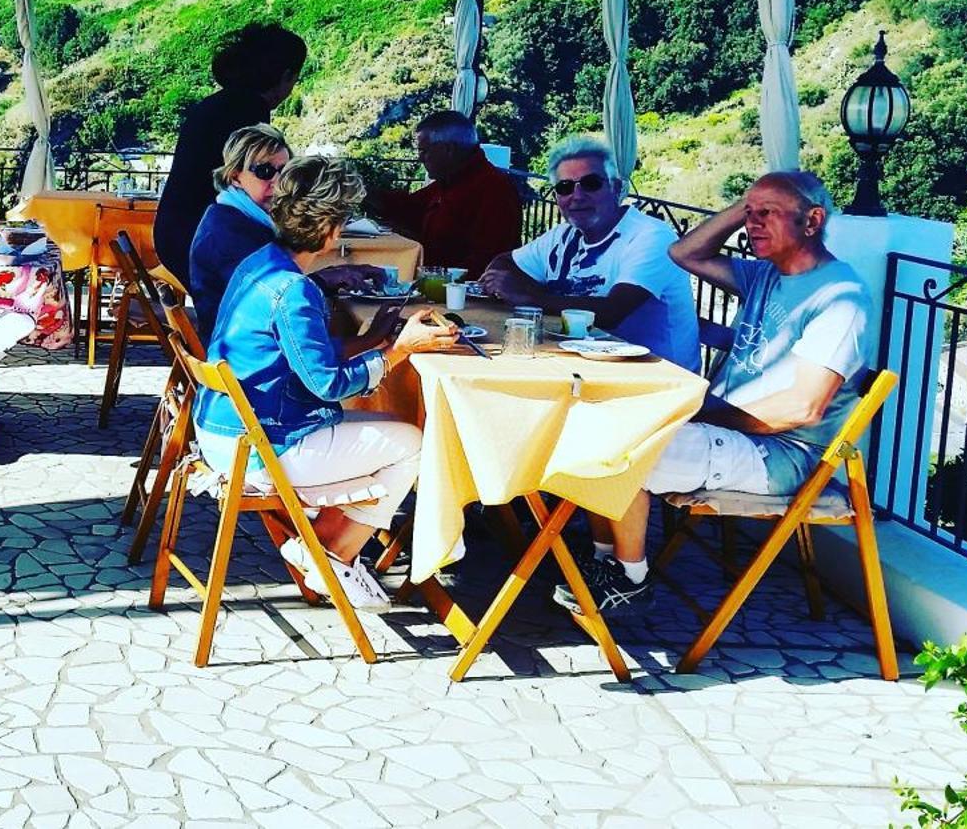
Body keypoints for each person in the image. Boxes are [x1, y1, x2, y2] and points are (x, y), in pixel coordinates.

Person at [556, 171, 871, 614]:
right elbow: (683, 253)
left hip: (778, 454)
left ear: (813, 220)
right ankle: (607, 560)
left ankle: (630, 578)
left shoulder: (840, 299)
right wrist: (749, 206)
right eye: (749, 213)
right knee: (587, 419)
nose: (752, 224)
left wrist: (698, 412)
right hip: (730, 432)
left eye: (767, 213)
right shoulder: (766, 275)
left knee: (620, 445)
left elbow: (802, 408)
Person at [195, 153, 462, 611]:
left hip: (224, 434)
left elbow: (300, 355)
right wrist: (398, 352)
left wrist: (374, 339)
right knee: (415, 444)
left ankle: (324, 547)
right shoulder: (293, 290)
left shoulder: (260, 263)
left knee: (391, 434)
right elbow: (328, 386)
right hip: (260, 451)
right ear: (333, 230)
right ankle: (330, 553)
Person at [479, 136, 700, 371]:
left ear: (616, 188)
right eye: (564, 187)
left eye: (591, 183)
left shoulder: (651, 236)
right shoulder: (564, 235)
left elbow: (613, 312)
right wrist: (522, 291)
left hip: (652, 376)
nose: (577, 196)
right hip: (577, 364)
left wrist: (529, 297)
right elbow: (504, 262)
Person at [187, 125, 381, 340]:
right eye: (265, 172)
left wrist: (333, 275)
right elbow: (272, 300)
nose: (278, 182)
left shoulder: (235, 218)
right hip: (241, 351)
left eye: (285, 171)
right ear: (235, 176)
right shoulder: (229, 234)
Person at [153, 23, 305, 288]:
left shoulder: (222, 103)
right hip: (201, 235)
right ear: (285, 76)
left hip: (178, 231)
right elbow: (253, 178)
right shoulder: (247, 110)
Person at [367, 110, 522, 275]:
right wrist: (364, 192)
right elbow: (409, 207)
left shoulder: (494, 189)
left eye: (424, 151)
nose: (420, 158)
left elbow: (487, 260)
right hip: (432, 277)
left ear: (448, 149)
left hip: (458, 286)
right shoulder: (451, 180)